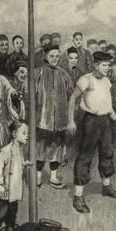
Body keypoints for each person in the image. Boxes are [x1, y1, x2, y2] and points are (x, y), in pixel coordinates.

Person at [69, 51, 116, 213]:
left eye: (109, 65)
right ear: (95, 65)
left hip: (105, 121)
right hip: (90, 121)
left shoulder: (107, 81)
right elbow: (73, 98)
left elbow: (107, 105)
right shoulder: (86, 80)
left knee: (107, 152)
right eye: (104, 65)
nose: (107, 68)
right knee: (86, 155)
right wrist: (70, 120)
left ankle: (106, 187)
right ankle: (78, 196)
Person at [35, 44, 75, 189]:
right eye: (51, 56)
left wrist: (69, 115)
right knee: (41, 147)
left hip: (60, 120)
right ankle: (38, 176)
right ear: (45, 56)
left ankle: (53, 176)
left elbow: (72, 94)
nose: (54, 59)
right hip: (42, 120)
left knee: (57, 148)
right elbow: (30, 96)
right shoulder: (37, 73)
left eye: (57, 56)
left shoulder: (63, 74)